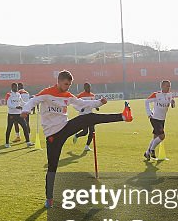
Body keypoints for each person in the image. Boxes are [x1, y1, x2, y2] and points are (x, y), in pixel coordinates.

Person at [21, 70, 133, 208]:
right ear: (59, 81)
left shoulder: (68, 95)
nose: (67, 87)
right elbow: (32, 101)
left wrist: (99, 102)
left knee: (88, 118)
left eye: (69, 84)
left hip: (65, 127)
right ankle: (49, 198)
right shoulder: (47, 92)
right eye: (66, 84)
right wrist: (25, 110)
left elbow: (81, 104)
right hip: (52, 136)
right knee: (52, 167)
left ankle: (123, 116)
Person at [143, 80, 176, 160]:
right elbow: (146, 101)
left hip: (162, 119)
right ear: (162, 86)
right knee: (162, 136)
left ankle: (147, 153)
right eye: (167, 86)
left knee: (155, 137)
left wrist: (173, 103)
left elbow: (172, 106)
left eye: (169, 86)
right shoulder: (156, 94)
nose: (168, 87)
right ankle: (152, 150)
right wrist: (149, 113)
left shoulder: (170, 95)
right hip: (154, 118)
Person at [72, 82, 102, 152]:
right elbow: (74, 105)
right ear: (84, 88)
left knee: (92, 131)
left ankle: (87, 146)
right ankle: (76, 136)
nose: (88, 88)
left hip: (90, 115)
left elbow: (93, 103)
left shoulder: (92, 95)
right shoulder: (80, 96)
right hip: (83, 116)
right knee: (85, 132)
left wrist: (96, 107)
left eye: (89, 87)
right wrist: (80, 109)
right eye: (87, 87)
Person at [4, 82, 31, 147]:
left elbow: (22, 102)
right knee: (9, 128)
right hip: (12, 115)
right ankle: (7, 143)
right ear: (12, 87)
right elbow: (8, 104)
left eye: (17, 87)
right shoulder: (9, 94)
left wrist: (29, 103)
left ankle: (28, 142)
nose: (16, 88)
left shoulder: (19, 94)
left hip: (19, 114)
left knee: (25, 127)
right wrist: (16, 107)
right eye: (15, 87)